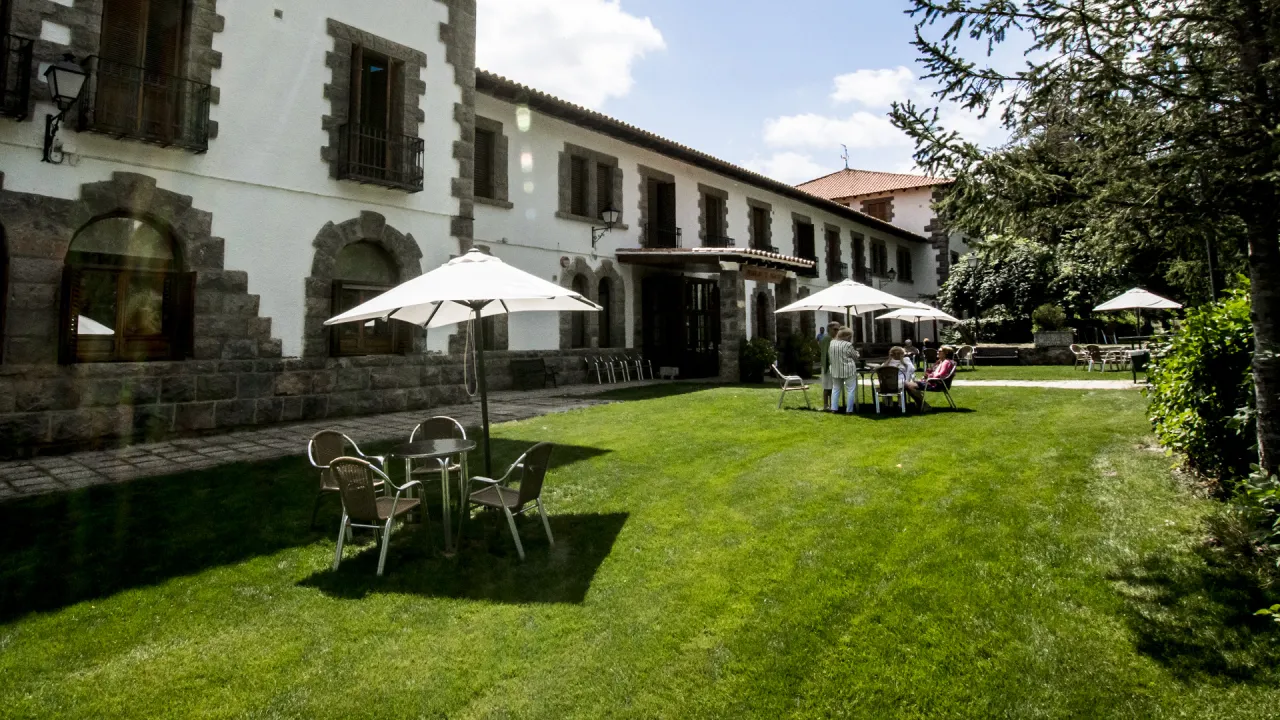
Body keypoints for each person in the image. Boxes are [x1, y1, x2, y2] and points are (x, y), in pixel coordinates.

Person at [828, 327, 860, 413]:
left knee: (835, 389)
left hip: (835, 369)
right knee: (850, 390)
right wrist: (857, 353)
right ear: (848, 336)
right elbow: (855, 357)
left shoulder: (832, 343)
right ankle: (849, 410)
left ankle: (834, 408)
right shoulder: (848, 345)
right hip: (848, 369)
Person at [818, 321, 840, 410]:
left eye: (838, 329)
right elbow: (827, 354)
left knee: (832, 387)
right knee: (827, 387)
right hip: (828, 366)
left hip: (832, 366)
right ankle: (826, 405)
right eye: (835, 329)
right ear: (829, 329)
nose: (837, 331)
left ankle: (832, 405)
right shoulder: (827, 339)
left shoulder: (832, 339)